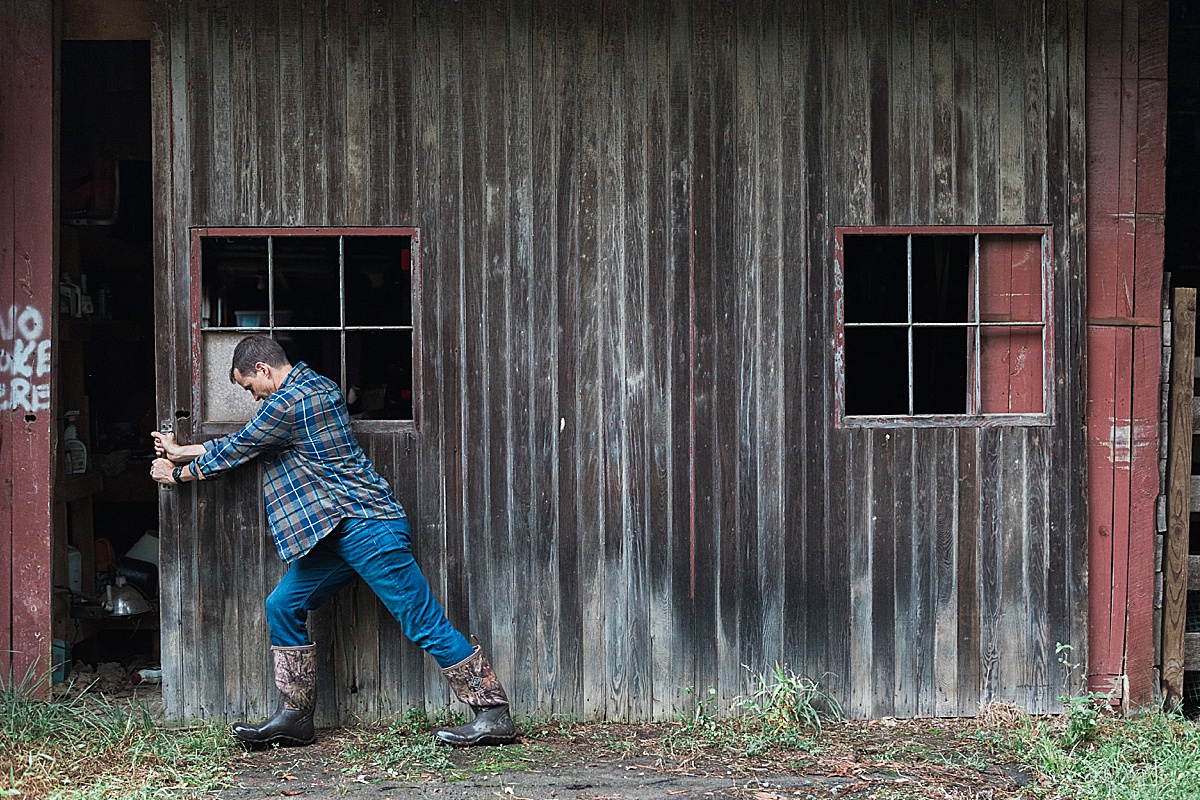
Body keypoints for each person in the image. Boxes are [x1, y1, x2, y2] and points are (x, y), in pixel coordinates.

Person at [149, 335, 515, 748]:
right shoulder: (317, 387)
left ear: (264, 371)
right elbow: (252, 439)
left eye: (250, 387)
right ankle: (295, 717)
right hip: (336, 532)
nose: (252, 397)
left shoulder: (285, 405)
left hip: (368, 527)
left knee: (421, 619)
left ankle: (492, 712)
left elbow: (243, 446)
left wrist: (176, 473)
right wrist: (183, 452)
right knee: (283, 605)